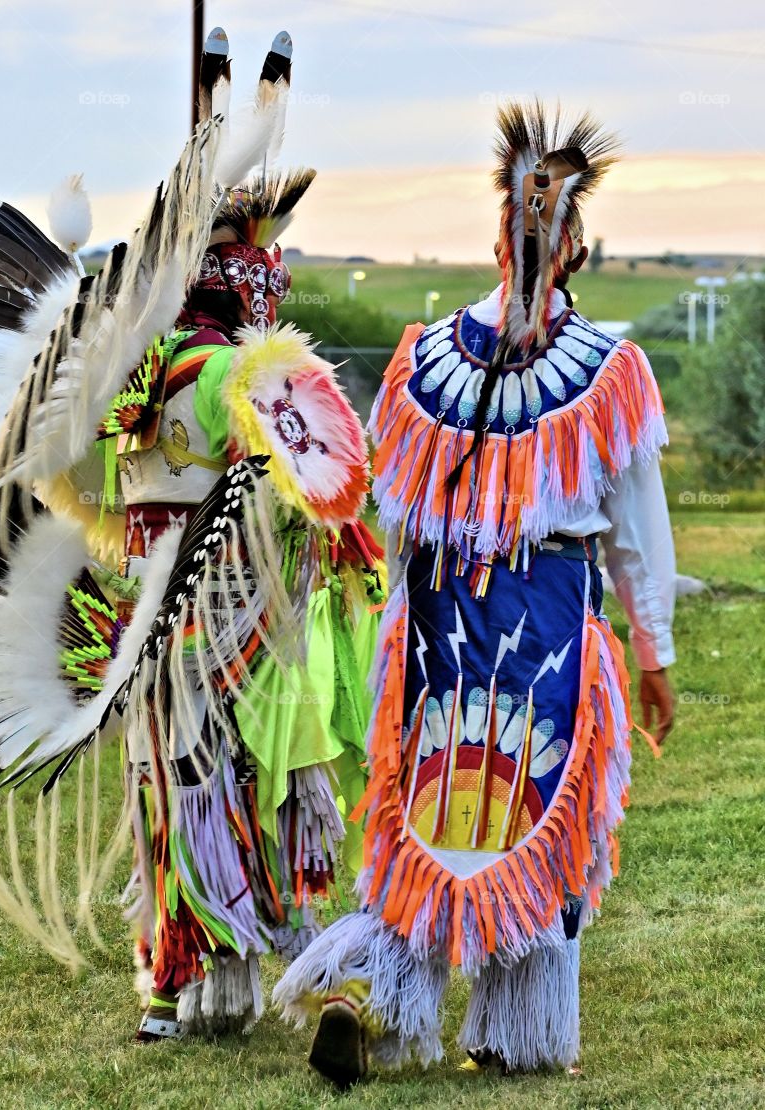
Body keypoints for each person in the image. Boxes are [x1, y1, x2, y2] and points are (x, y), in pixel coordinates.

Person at [0, 29, 379, 1045]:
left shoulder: (201, 369)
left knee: (221, 772)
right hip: (163, 605)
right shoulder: (150, 367)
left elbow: (302, 470)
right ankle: (192, 970)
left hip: (220, 607)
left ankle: (215, 968)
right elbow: (85, 465)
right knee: (182, 777)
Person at [274, 100, 676, 1088]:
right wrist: (653, 644)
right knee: (539, 807)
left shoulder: (424, 362)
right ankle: (518, 1033)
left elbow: (395, 503)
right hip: (544, 620)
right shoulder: (607, 373)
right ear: (573, 246)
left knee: (433, 804)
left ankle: (380, 998)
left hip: (440, 622)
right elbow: (637, 533)